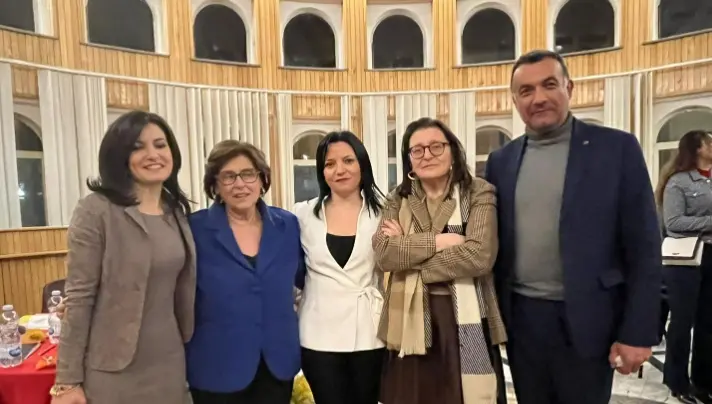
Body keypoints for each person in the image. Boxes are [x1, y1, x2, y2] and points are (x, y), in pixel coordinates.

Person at [484, 50, 662, 404]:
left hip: (590, 318)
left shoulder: (616, 149)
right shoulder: (500, 161)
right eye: (526, 90)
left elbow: (644, 246)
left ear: (569, 88)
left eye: (549, 85)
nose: (538, 98)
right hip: (523, 322)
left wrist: (638, 331)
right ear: (515, 101)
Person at [50, 111, 196, 404]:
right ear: (119, 156)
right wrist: (67, 382)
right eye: (137, 147)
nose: (153, 154)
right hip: (112, 369)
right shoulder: (96, 210)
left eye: (160, 145)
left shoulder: (176, 211)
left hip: (169, 362)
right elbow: (80, 297)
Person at [373, 117, 507, 404]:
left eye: (436, 146)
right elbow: (384, 254)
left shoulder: (478, 192)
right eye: (417, 150)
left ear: (452, 151)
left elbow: (479, 257)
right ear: (409, 159)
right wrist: (441, 242)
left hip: (464, 317)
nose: (427, 155)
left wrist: (408, 256)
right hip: (409, 321)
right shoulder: (397, 199)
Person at [186, 140, 305, 404]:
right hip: (216, 367)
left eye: (248, 174)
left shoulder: (288, 226)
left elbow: (306, 278)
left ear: (262, 179)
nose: (239, 184)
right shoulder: (194, 230)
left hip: (276, 365)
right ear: (215, 185)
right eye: (228, 176)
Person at [294, 131, 385, 404]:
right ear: (322, 172)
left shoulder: (385, 213)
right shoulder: (302, 214)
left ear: (362, 164)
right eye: (330, 164)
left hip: (369, 333)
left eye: (348, 160)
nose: (339, 170)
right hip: (318, 333)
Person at [657, 130, 712, 404]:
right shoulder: (677, 182)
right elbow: (674, 223)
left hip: (711, 255)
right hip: (684, 261)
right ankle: (677, 382)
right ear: (697, 148)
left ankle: (704, 382)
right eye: (709, 142)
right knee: (682, 322)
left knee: (708, 322)